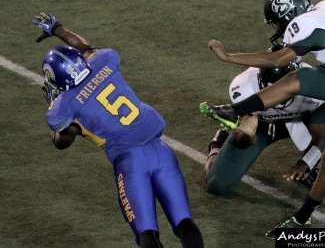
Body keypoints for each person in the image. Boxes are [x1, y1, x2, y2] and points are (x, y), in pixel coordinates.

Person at [199, 0, 325, 237]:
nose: (279, 28)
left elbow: (279, 59)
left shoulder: (311, 26)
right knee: (293, 81)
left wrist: (228, 56)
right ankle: (238, 112)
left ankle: (301, 220)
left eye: (279, 20)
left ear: (288, 13)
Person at [32, 13, 204, 248]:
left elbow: (61, 141)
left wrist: (53, 102)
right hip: (160, 149)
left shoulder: (63, 107)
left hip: (130, 161)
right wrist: (58, 29)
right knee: (185, 223)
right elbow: (87, 47)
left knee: (147, 234)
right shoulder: (106, 60)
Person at [203, 54, 325, 196]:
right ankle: (217, 146)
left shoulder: (313, 88)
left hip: (300, 120)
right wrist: (247, 134)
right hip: (261, 126)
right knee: (218, 185)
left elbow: (322, 136)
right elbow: (243, 139)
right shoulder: (245, 87)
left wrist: (306, 163)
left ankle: (309, 171)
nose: (279, 96)